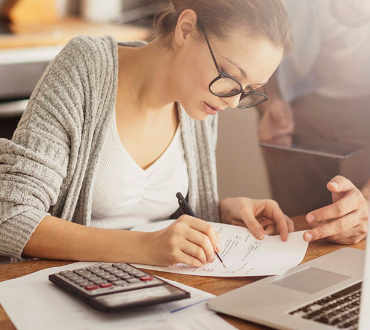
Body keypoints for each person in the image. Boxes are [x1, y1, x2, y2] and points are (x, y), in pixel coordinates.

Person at [0, 0, 363, 268]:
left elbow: (160, 217)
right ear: (186, 29)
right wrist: (144, 247)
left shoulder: (202, 99)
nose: (234, 101)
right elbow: (10, 216)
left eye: (249, 88)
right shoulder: (86, 67)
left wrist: (223, 213)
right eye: (231, 77)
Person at [257, 0, 370, 244]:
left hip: (364, 115)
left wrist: (368, 204)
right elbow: (257, 39)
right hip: (298, 104)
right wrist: (272, 101)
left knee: (357, 228)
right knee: (295, 229)